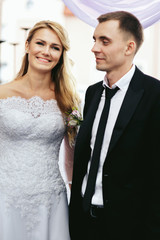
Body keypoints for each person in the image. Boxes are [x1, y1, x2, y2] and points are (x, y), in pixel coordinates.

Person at [69, 10, 160, 240]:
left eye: (104, 41)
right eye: (94, 40)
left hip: (128, 228)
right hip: (83, 222)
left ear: (129, 48)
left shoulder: (154, 95)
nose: (94, 48)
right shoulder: (91, 93)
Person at [0, 20, 80, 240]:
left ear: (61, 54)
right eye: (40, 43)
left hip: (50, 199)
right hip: (5, 197)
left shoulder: (69, 102)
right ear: (27, 46)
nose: (46, 52)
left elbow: (71, 158)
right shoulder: (2, 94)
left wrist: (76, 200)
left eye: (55, 47)